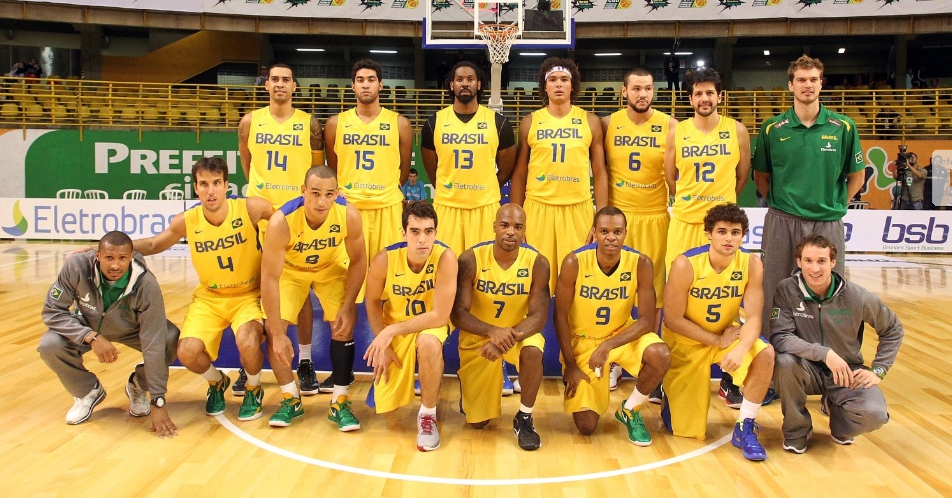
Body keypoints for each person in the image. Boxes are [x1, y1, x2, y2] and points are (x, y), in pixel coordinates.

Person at [130, 157, 274, 421]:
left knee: (248, 340)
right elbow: (153, 245)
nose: (211, 190)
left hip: (248, 295)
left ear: (227, 186)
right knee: (186, 351)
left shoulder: (252, 208)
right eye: (204, 184)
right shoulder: (186, 220)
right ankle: (216, 381)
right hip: (210, 297)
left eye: (216, 183)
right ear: (195, 188)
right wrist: (105, 248)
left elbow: (283, 223)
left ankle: (253, 388)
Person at [752, 55, 865, 343]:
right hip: (782, 220)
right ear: (790, 85)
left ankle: (830, 364)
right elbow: (761, 177)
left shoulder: (844, 127)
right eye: (801, 79)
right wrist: (784, 204)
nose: (808, 85)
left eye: (813, 79)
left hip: (827, 222)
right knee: (774, 290)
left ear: (821, 83)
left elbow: (857, 176)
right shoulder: (771, 129)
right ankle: (773, 365)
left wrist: (835, 205)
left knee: (829, 292)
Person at [660, 203, 775, 461]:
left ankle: (746, 425)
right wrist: (715, 339)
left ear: (743, 235)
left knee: (764, 353)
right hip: (686, 342)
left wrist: (743, 347)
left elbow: (755, 317)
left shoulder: (751, 263)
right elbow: (673, 319)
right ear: (709, 234)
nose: (728, 238)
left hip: (727, 336)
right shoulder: (685, 264)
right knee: (682, 430)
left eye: (735, 232)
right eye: (722, 231)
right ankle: (670, 394)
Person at [38, 231, 180, 438]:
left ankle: (139, 385)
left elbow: (154, 343)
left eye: (122, 258)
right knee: (49, 344)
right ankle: (87, 391)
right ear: (97, 256)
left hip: (131, 328)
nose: (115, 265)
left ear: (130, 257)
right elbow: (52, 311)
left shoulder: (146, 284)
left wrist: (158, 400)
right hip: (88, 323)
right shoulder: (77, 266)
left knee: (169, 338)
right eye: (109, 257)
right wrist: (90, 336)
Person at [238, 62, 326, 396]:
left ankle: (304, 360)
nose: (280, 85)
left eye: (286, 80)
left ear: (294, 86)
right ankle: (252, 366)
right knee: (258, 290)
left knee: (300, 291)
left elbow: (318, 168)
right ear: (266, 85)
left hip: (294, 217)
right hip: (259, 215)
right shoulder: (250, 122)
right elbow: (247, 164)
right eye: (274, 79)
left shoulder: (309, 124)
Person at [771, 234, 903, 453]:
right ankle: (796, 431)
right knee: (783, 362)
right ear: (799, 262)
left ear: (833, 262)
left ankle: (839, 420)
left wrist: (879, 369)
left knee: (874, 415)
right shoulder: (786, 290)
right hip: (805, 368)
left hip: (846, 371)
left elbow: (893, 329)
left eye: (822, 261)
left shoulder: (857, 296)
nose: (815, 268)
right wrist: (824, 354)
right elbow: (781, 337)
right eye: (808, 261)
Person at [260, 165, 367, 429]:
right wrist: (277, 330)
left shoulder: (348, 214)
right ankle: (290, 399)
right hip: (291, 272)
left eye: (329, 194)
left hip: (330, 269)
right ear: (303, 191)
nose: (322, 201)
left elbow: (358, 260)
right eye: (315, 193)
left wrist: (347, 304)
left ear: (337, 193)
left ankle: (339, 402)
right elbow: (270, 278)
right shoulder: (281, 221)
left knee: (344, 325)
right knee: (274, 332)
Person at [554, 207, 669, 445]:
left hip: (620, 335)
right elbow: (560, 316)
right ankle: (588, 384)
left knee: (660, 354)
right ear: (594, 233)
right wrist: (572, 365)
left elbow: (647, 321)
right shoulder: (574, 261)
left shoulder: (640, 263)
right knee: (586, 426)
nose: (611, 237)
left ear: (625, 233)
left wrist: (609, 345)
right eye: (604, 231)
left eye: (617, 231)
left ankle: (631, 409)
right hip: (584, 341)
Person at [451, 204, 550, 451]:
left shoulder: (538, 262)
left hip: (518, 335)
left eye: (517, 227)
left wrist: (507, 338)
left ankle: (525, 417)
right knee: (478, 423)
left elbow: (539, 316)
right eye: (505, 225)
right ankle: (471, 390)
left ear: (524, 230)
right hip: (480, 338)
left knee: (534, 350)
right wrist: (491, 333)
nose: (510, 232)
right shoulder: (470, 259)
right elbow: (457, 314)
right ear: (494, 226)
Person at [363, 201, 458, 451]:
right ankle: (389, 387)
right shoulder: (384, 259)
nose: (422, 239)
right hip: (396, 324)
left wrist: (390, 331)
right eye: (415, 231)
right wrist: (383, 341)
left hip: (430, 325)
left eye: (429, 231)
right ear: (403, 233)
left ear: (436, 233)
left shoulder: (446, 257)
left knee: (427, 342)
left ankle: (427, 415)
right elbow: (371, 300)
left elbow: (440, 315)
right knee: (387, 411)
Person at [510, 57, 608, 294]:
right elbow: (520, 173)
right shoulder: (530, 122)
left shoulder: (590, 121)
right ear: (545, 86)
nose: (558, 84)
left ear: (572, 85)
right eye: (552, 79)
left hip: (577, 209)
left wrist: (601, 219)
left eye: (564, 79)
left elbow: (600, 172)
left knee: (575, 280)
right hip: (538, 209)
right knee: (536, 279)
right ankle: (536, 330)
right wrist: (516, 219)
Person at [420, 60, 517, 256]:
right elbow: (432, 170)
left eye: (470, 79)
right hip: (447, 208)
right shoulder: (434, 123)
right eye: (459, 79)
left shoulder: (499, 124)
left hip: (484, 208)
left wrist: (487, 187)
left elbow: (506, 168)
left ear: (479, 85)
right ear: (451, 85)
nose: (465, 83)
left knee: (482, 271)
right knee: (445, 267)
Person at [325, 58, 413, 271]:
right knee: (347, 275)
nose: (366, 84)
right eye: (360, 80)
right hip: (350, 207)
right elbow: (333, 169)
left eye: (371, 80)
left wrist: (388, 189)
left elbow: (403, 168)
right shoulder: (335, 124)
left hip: (387, 208)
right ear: (353, 85)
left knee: (389, 272)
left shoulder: (400, 123)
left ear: (380, 85)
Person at [663, 67, 750, 270]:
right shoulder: (676, 132)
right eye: (699, 93)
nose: (705, 98)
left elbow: (742, 176)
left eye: (710, 93)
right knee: (679, 286)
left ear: (719, 97)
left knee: (721, 289)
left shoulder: (737, 130)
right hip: (685, 221)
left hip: (723, 224)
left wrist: (725, 199)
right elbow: (670, 177)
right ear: (690, 99)